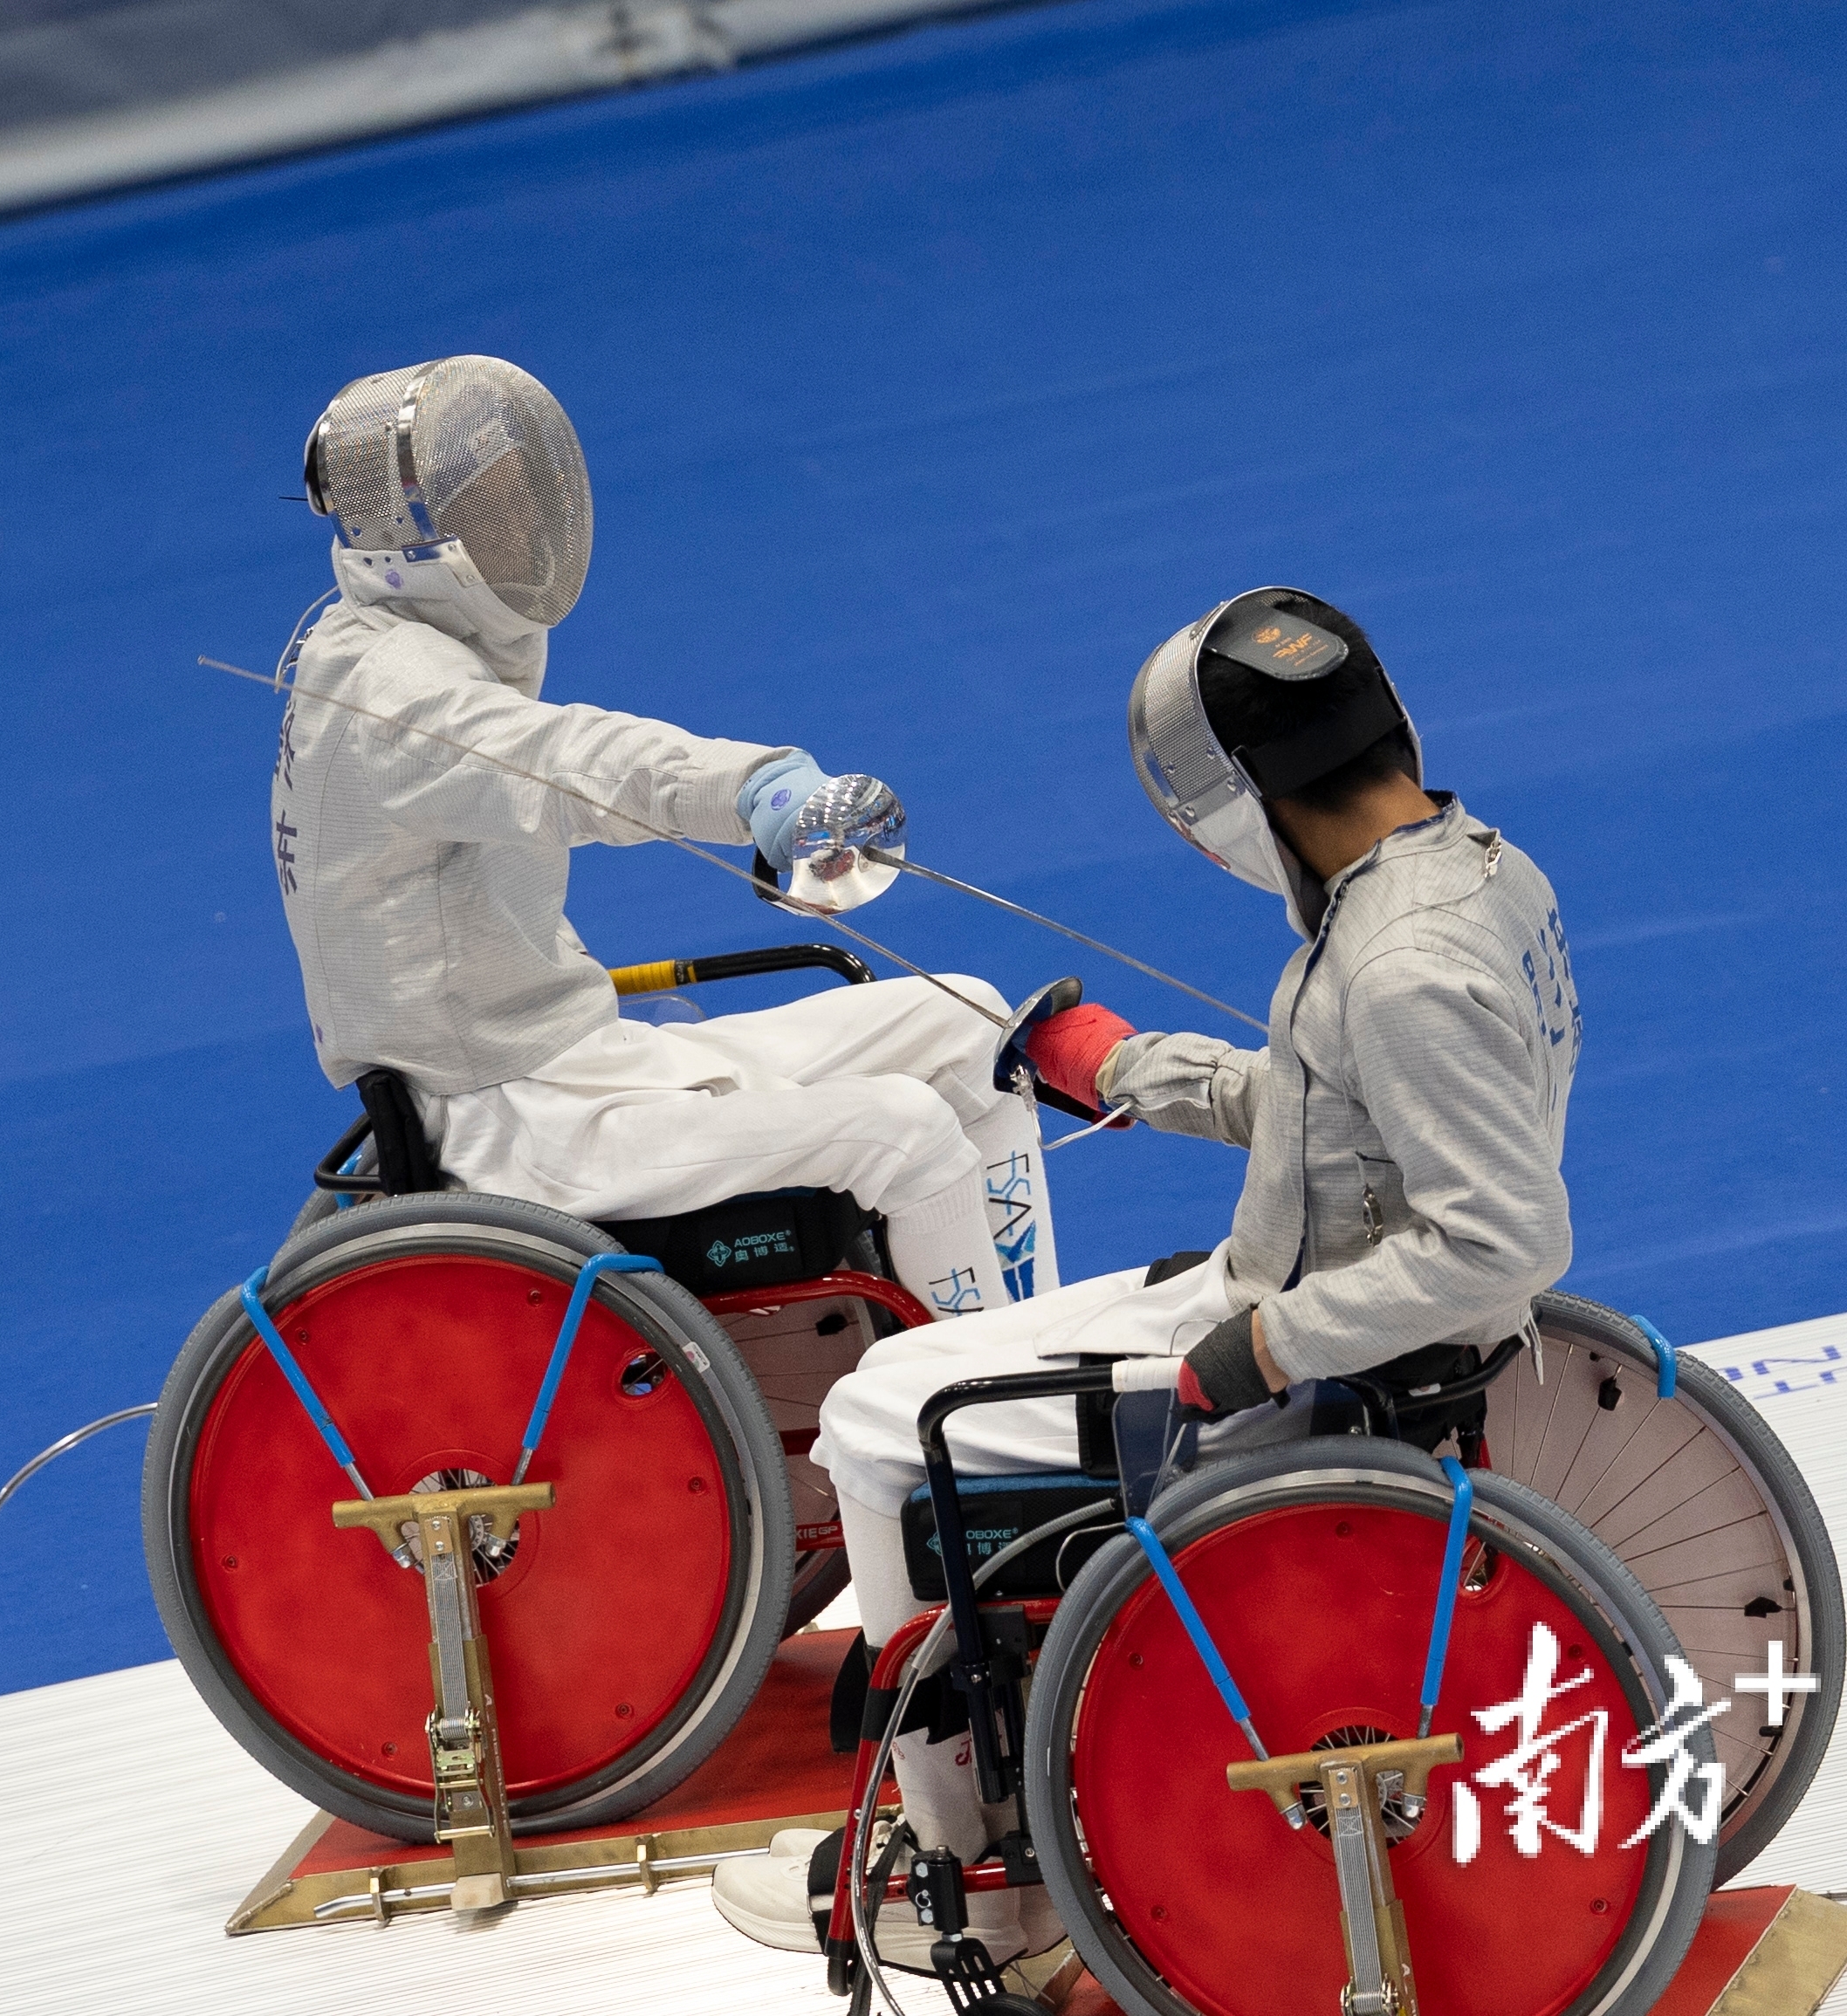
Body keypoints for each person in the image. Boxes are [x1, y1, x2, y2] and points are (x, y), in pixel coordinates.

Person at [709, 586, 1583, 1970]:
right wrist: (1123, 1068)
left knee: (884, 1421)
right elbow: (1337, 1116)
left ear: (1241, 797)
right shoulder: (1471, 869)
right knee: (903, 1367)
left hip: (1314, 1364)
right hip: (1295, 1298)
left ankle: (969, 1867)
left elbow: (1500, 1237)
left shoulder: (1401, 961)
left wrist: (1269, 1347)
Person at [273, 355, 1062, 1322]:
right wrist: (749, 791)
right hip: (513, 1123)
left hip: (577, 1056)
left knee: (969, 1024)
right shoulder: (391, 699)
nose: (527, 530)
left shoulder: (401, 650)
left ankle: (1036, 1345)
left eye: (529, 503)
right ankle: (977, 1423)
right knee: (901, 1133)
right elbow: (569, 763)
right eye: (497, 512)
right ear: (430, 537)